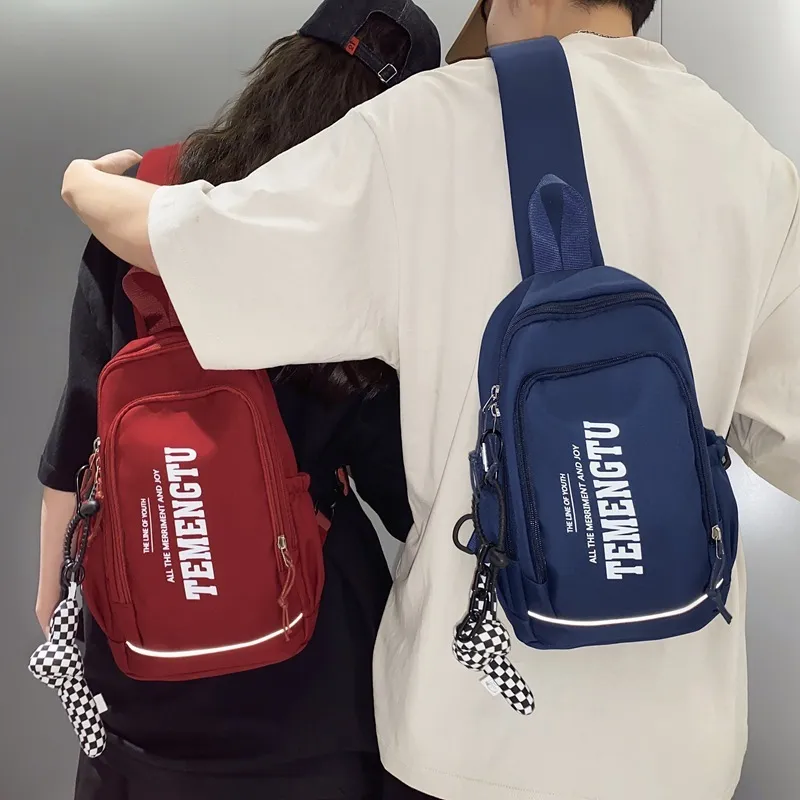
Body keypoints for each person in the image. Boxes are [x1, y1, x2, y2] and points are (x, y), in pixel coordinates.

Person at [59, 0, 800, 799]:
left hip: (471, 730)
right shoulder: (751, 167)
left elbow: (209, 245)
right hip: (679, 745)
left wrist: (83, 187)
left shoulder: (429, 127)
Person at [39, 2, 441, 799]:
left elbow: (80, 436)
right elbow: (407, 496)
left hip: (140, 667)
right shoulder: (367, 257)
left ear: (279, 70)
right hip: (312, 694)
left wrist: (61, 612)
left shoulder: (140, 207)